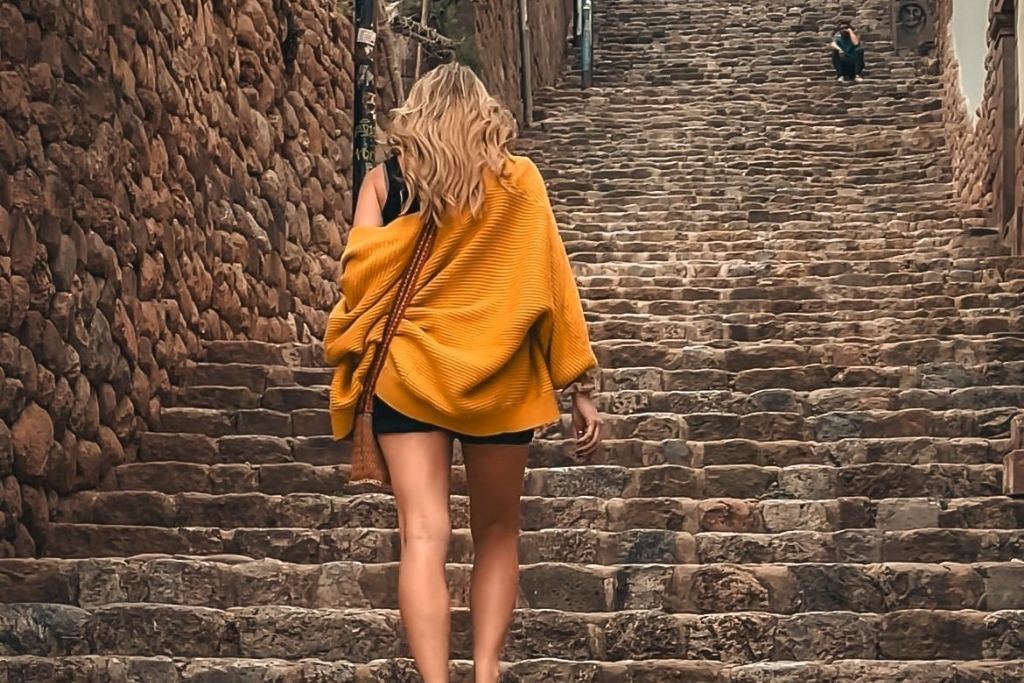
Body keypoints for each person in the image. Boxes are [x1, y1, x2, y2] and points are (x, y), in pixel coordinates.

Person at [323, 63, 603, 683]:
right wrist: (579, 387)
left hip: (408, 372)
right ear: (485, 114)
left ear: (415, 115)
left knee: (423, 535)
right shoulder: (518, 180)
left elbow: (358, 280)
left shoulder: (384, 181)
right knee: (498, 532)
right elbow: (552, 283)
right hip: (501, 378)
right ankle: (486, 673)